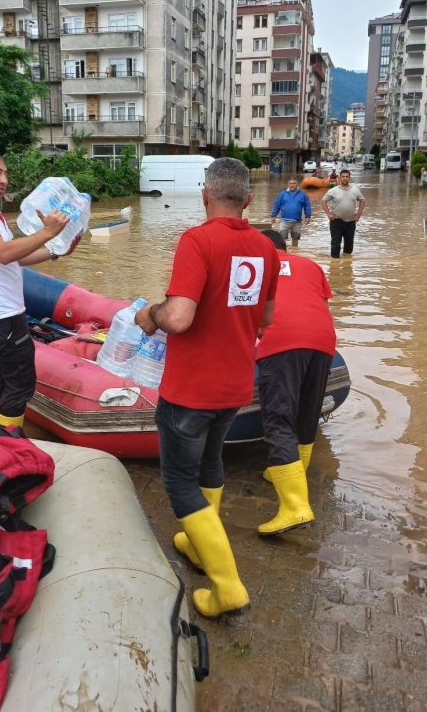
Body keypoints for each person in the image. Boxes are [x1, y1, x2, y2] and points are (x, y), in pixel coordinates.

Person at [135, 158, 279, 619]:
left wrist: (149, 315)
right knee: (211, 461)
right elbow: (268, 318)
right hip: (235, 384)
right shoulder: (266, 248)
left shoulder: (197, 239)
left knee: (179, 482)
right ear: (249, 200)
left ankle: (227, 586)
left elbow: (178, 317)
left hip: (191, 388)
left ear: (204, 195)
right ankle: (199, 546)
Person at [0, 151, 80, 430]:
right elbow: (5, 253)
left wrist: (55, 251)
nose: (4, 180)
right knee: (21, 383)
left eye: (5, 174)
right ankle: (7, 445)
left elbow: (17, 257)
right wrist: (47, 232)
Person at [255, 231, 336, 535]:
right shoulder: (310, 265)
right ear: (285, 247)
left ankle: (295, 508)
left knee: (278, 419)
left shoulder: (256, 266)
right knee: (307, 411)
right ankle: (291, 472)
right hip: (323, 341)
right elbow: (320, 300)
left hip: (281, 341)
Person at [321, 168, 366, 258]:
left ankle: (347, 265)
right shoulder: (333, 190)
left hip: (350, 221)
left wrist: (358, 214)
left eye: (347, 176)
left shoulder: (355, 190)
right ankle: (334, 266)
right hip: (336, 221)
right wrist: (329, 214)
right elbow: (323, 201)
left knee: (349, 244)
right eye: (343, 176)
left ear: (349, 178)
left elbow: (362, 200)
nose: (345, 178)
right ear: (340, 178)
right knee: (336, 244)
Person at [270, 175, 311, 248]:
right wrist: (273, 216)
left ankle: (294, 253)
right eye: (290, 183)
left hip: (297, 222)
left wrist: (307, 217)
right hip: (284, 221)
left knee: (295, 240)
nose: (292, 185)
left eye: (294, 183)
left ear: (297, 184)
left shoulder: (303, 195)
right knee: (282, 240)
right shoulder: (282, 194)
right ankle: (284, 255)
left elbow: (307, 206)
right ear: (288, 184)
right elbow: (277, 205)